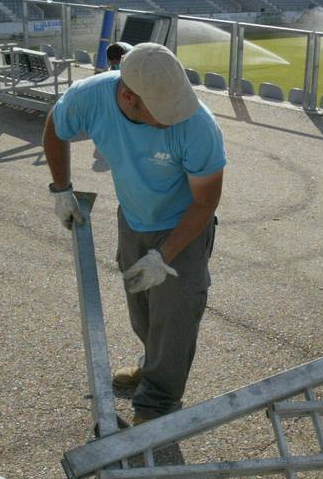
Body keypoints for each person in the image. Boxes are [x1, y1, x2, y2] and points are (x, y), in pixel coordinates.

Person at [42, 42, 226, 425]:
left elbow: (205, 203)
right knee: (142, 309)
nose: (175, 118)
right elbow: (55, 127)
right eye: (163, 113)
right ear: (128, 97)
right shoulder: (90, 98)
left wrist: (165, 255)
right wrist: (61, 189)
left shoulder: (197, 125)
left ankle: (158, 404)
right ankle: (152, 363)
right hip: (135, 219)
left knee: (175, 314)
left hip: (184, 224)